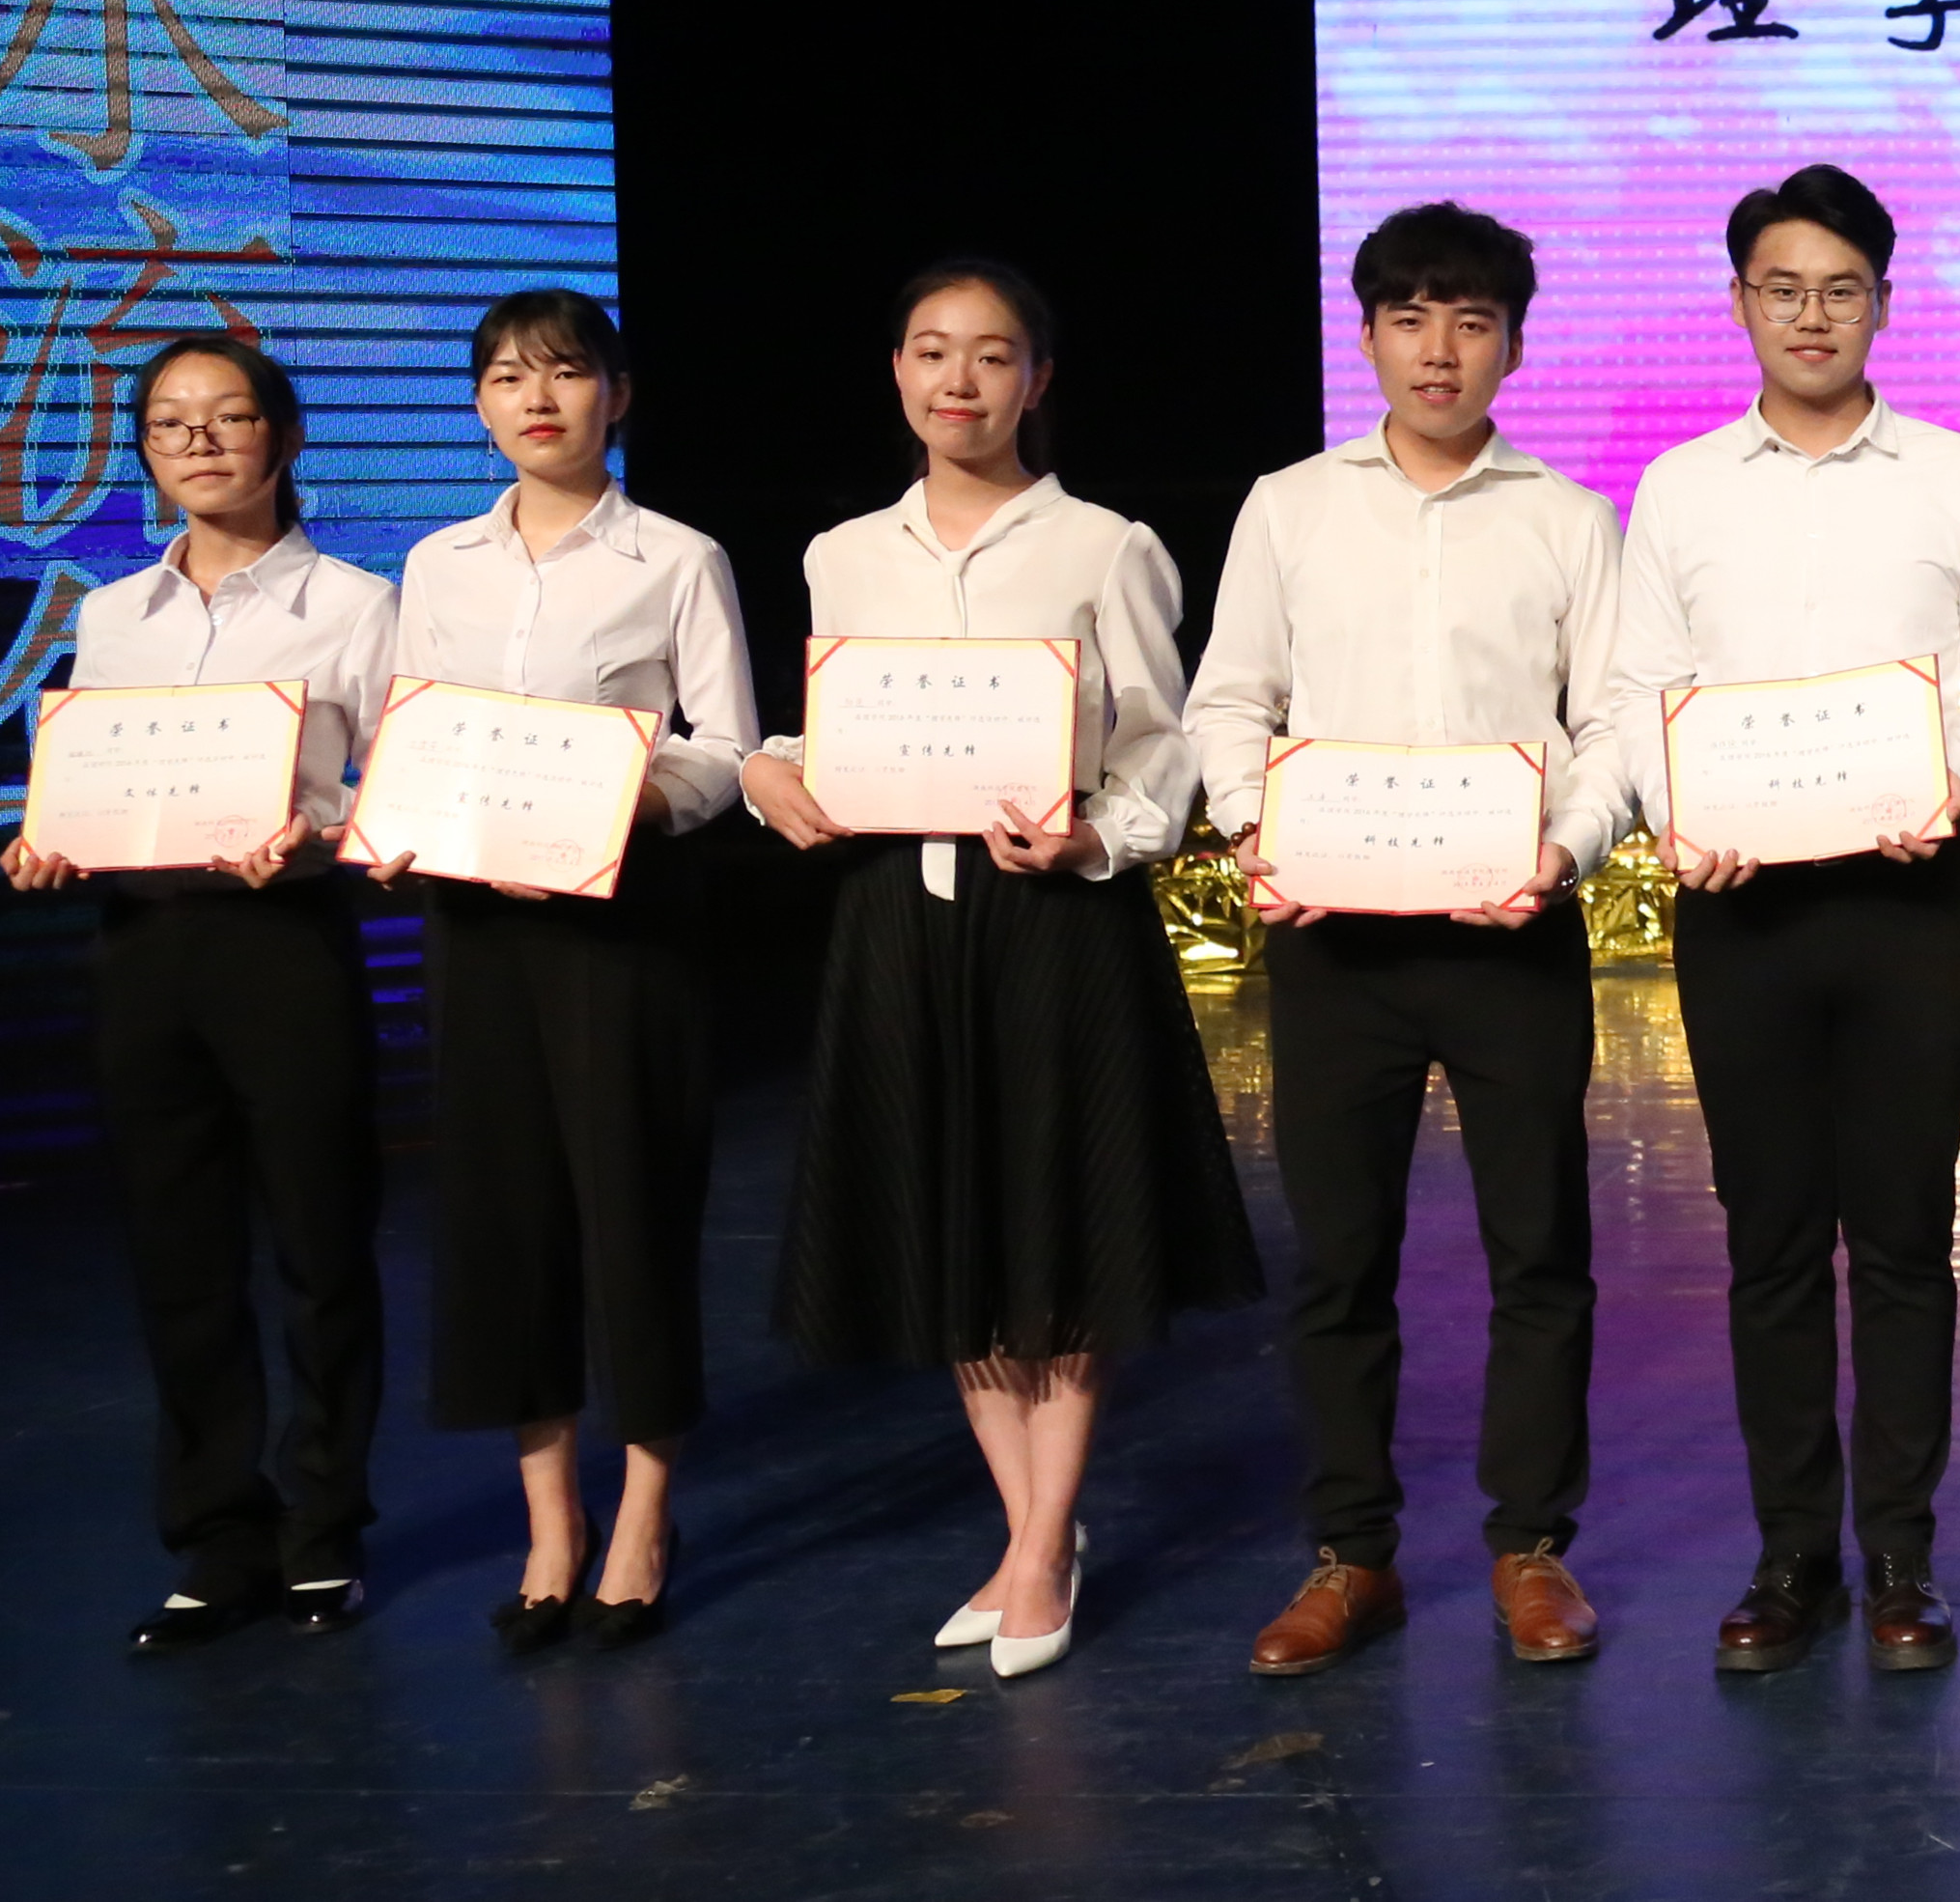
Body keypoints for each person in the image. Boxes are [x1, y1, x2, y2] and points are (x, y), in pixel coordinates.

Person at [746, 261, 1263, 1678]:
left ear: (1038, 380)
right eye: (931, 351)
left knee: (1061, 1220)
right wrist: (767, 773)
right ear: (897, 372)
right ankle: (1033, 1529)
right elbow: (835, 724)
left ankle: (1037, 1551)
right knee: (952, 1226)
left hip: (1057, 922)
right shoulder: (845, 552)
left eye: (991, 354)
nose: (958, 380)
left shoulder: (1106, 546)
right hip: (899, 921)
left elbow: (1164, 742)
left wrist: (1101, 835)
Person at [1189, 203, 1631, 1677]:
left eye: (1472, 321)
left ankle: (1531, 1548)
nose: (1441, 350)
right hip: (1338, 942)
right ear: (1369, 334)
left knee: (1540, 1253)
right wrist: (1257, 830)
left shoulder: (1569, 519)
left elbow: (1612, 722)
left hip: (1511, 932)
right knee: (1338, 1260)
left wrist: (1564, 850)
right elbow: (1227, 701)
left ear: (1513, 344)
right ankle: (1352, 1555)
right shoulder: (1289, 507)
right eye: (1411, 319)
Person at [1616, 162, 1960, 1679]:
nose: (1812, 315)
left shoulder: (1956, 476)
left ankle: (1901, 1556)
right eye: (1784, 289)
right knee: (1775, 1242)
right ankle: (1791, 1554)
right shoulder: (1679, 489)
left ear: (1882, 304)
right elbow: (1639, 689)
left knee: (1908, 1236)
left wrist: (1951, 775)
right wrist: (1677, 806)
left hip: (1907, 896)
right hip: (1743, 908)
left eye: (1841, 290)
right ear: (1741, 302)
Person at [382, 290, 758, 1654]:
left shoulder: (677, 557)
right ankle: (550, 1521)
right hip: (479, 928)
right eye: (505, 377)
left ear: (618, 393)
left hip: (622, 926)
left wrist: (634, 800)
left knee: (633, 1209)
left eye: (563, 372)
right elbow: (415, 731)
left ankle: (645, 1513)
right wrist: (395, 819)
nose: (535, 399)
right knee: (504, 1218)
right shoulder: (438, 565)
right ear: (479, 405)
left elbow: (729, 747)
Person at [14, 338, 396, 1649]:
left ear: (282, 437)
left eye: (229, 417)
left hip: (284, 940)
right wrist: (48, 837)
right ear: (146, 450)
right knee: (178, 1252)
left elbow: (397, 782)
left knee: (321, 1244)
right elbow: (91, 774)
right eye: (172, 423)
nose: (201, 442)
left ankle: (323, 1529)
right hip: (142, 944)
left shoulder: (356, 604)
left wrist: (317, 834)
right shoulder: (114, 613)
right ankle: (216, 1536)